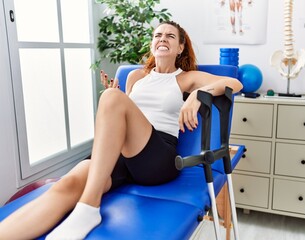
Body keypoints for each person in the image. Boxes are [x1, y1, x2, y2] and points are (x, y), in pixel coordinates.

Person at [0, 20, 242, 240]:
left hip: (157, 158)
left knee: (111, 97)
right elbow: (126, 116)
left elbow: (235, 83)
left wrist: (199, 94)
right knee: (68, 184)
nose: (162, 39)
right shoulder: (136, 76)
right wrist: (117, 102)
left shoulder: (185, 78)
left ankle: (88, 207)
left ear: (180, 47)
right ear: (152, 43)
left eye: (170, 36)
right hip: (121, 156)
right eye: (158, 35)